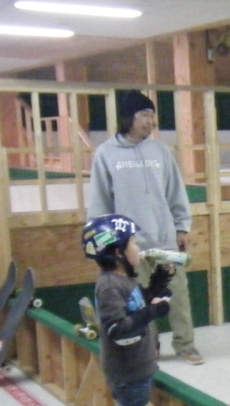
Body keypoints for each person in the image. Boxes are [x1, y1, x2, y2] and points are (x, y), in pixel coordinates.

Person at [88, 89, 204, 365]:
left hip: (165, 240)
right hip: (130, 246)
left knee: (177, 295)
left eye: (152, 115)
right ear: (128, 117)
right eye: (144, 115)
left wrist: (181, 227)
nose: (150, 121)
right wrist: (107, 242)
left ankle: (185, 345)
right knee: (137, 300)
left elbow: (176, 192)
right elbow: (100, 201)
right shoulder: (106, 154)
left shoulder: (160, 151)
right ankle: (148, 347)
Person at [82, 213, 175, 406]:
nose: (139, 248)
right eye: (133, 243)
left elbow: (135, 306)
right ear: (118, 252)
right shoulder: (111, 285)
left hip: (133, 366)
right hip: (129, 369)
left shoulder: (122, 280)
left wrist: (158, 283)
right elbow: (118, 329)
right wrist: (153, 312)